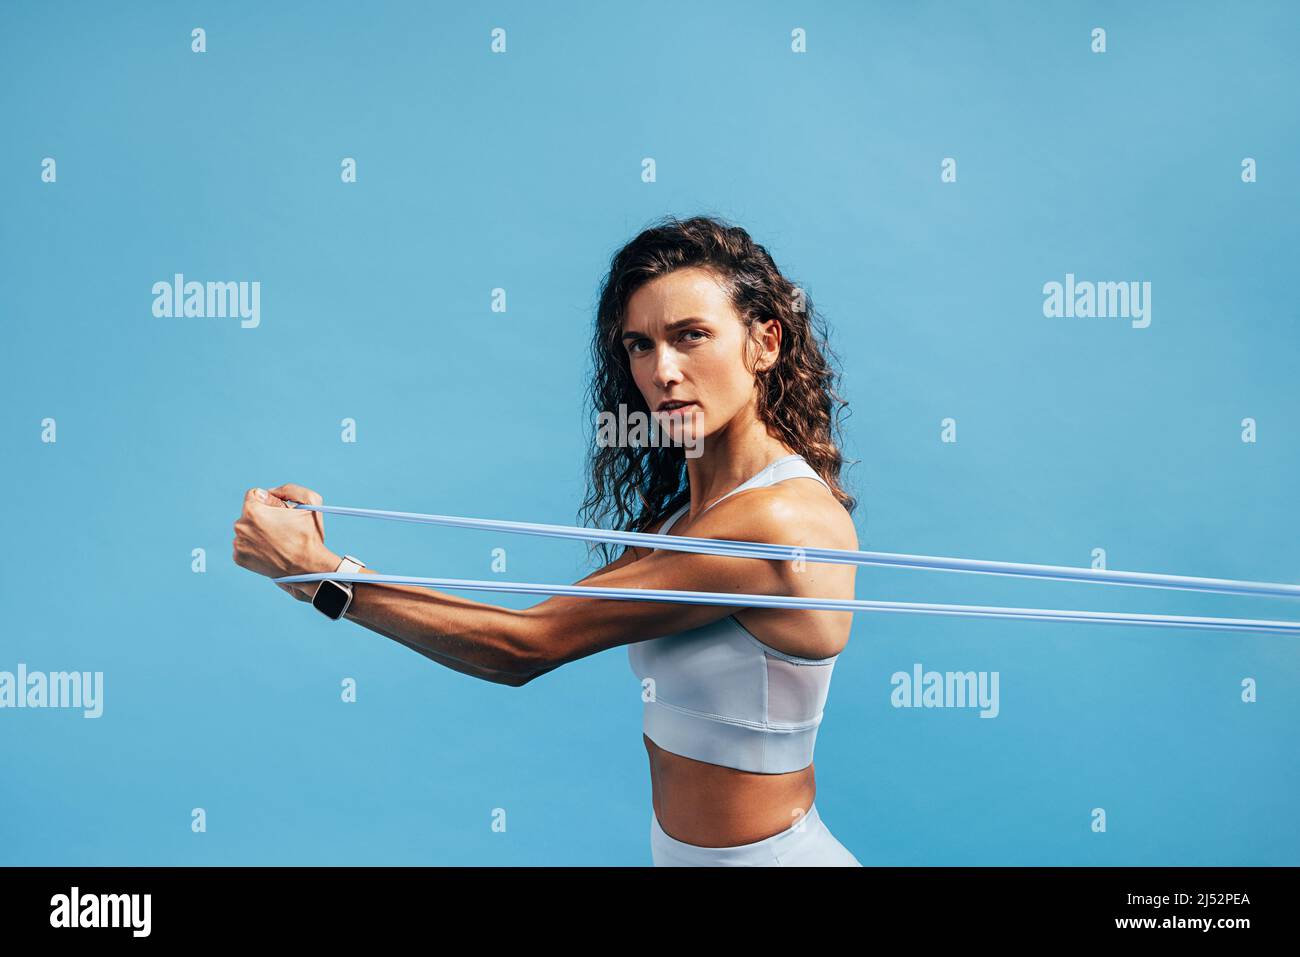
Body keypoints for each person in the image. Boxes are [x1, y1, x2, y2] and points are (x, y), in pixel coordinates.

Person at [232, 214, 862, 865]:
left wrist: (326, 578)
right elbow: (531, 622)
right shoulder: (684, 521)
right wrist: (323, 572)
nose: (663, 370)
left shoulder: (781, 523)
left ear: (765, 342)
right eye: (640, 345)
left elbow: (524, 648)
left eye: (691, 336)